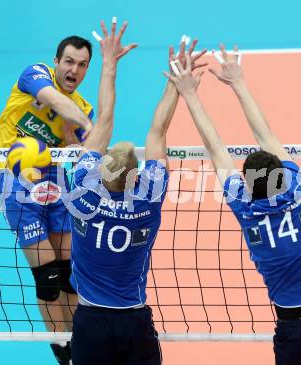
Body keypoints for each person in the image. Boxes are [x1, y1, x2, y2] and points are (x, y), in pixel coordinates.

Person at [165, 45, 301, 365]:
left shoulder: (245, 208)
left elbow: (216, 150)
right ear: (282, 177)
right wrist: (238, 83)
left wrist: (189, 94)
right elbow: (266, 135)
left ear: (248, 185)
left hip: (291, 334)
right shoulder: (299, 190)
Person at [66, 21, 206, 365]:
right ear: (136, 177)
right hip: (133, 320)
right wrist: (177, 83)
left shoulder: (83, 192)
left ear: (102, 172)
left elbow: (104, 122)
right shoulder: (147, 199)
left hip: (90, 322)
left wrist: (109, 63)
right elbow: (158, 133)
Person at [0, 35, 94, 364]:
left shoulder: (82, 106)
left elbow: (80, 153)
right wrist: (87, 125)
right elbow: (54, 99)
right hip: (16, 178)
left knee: (70, 275)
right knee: (48, 278)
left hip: (54, 181)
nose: (74, 70)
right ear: (56, 61)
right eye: (69, 61)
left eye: (81, 65)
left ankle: (79, 344)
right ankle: (61, 350)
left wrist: (74, 137)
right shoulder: (35, 74)